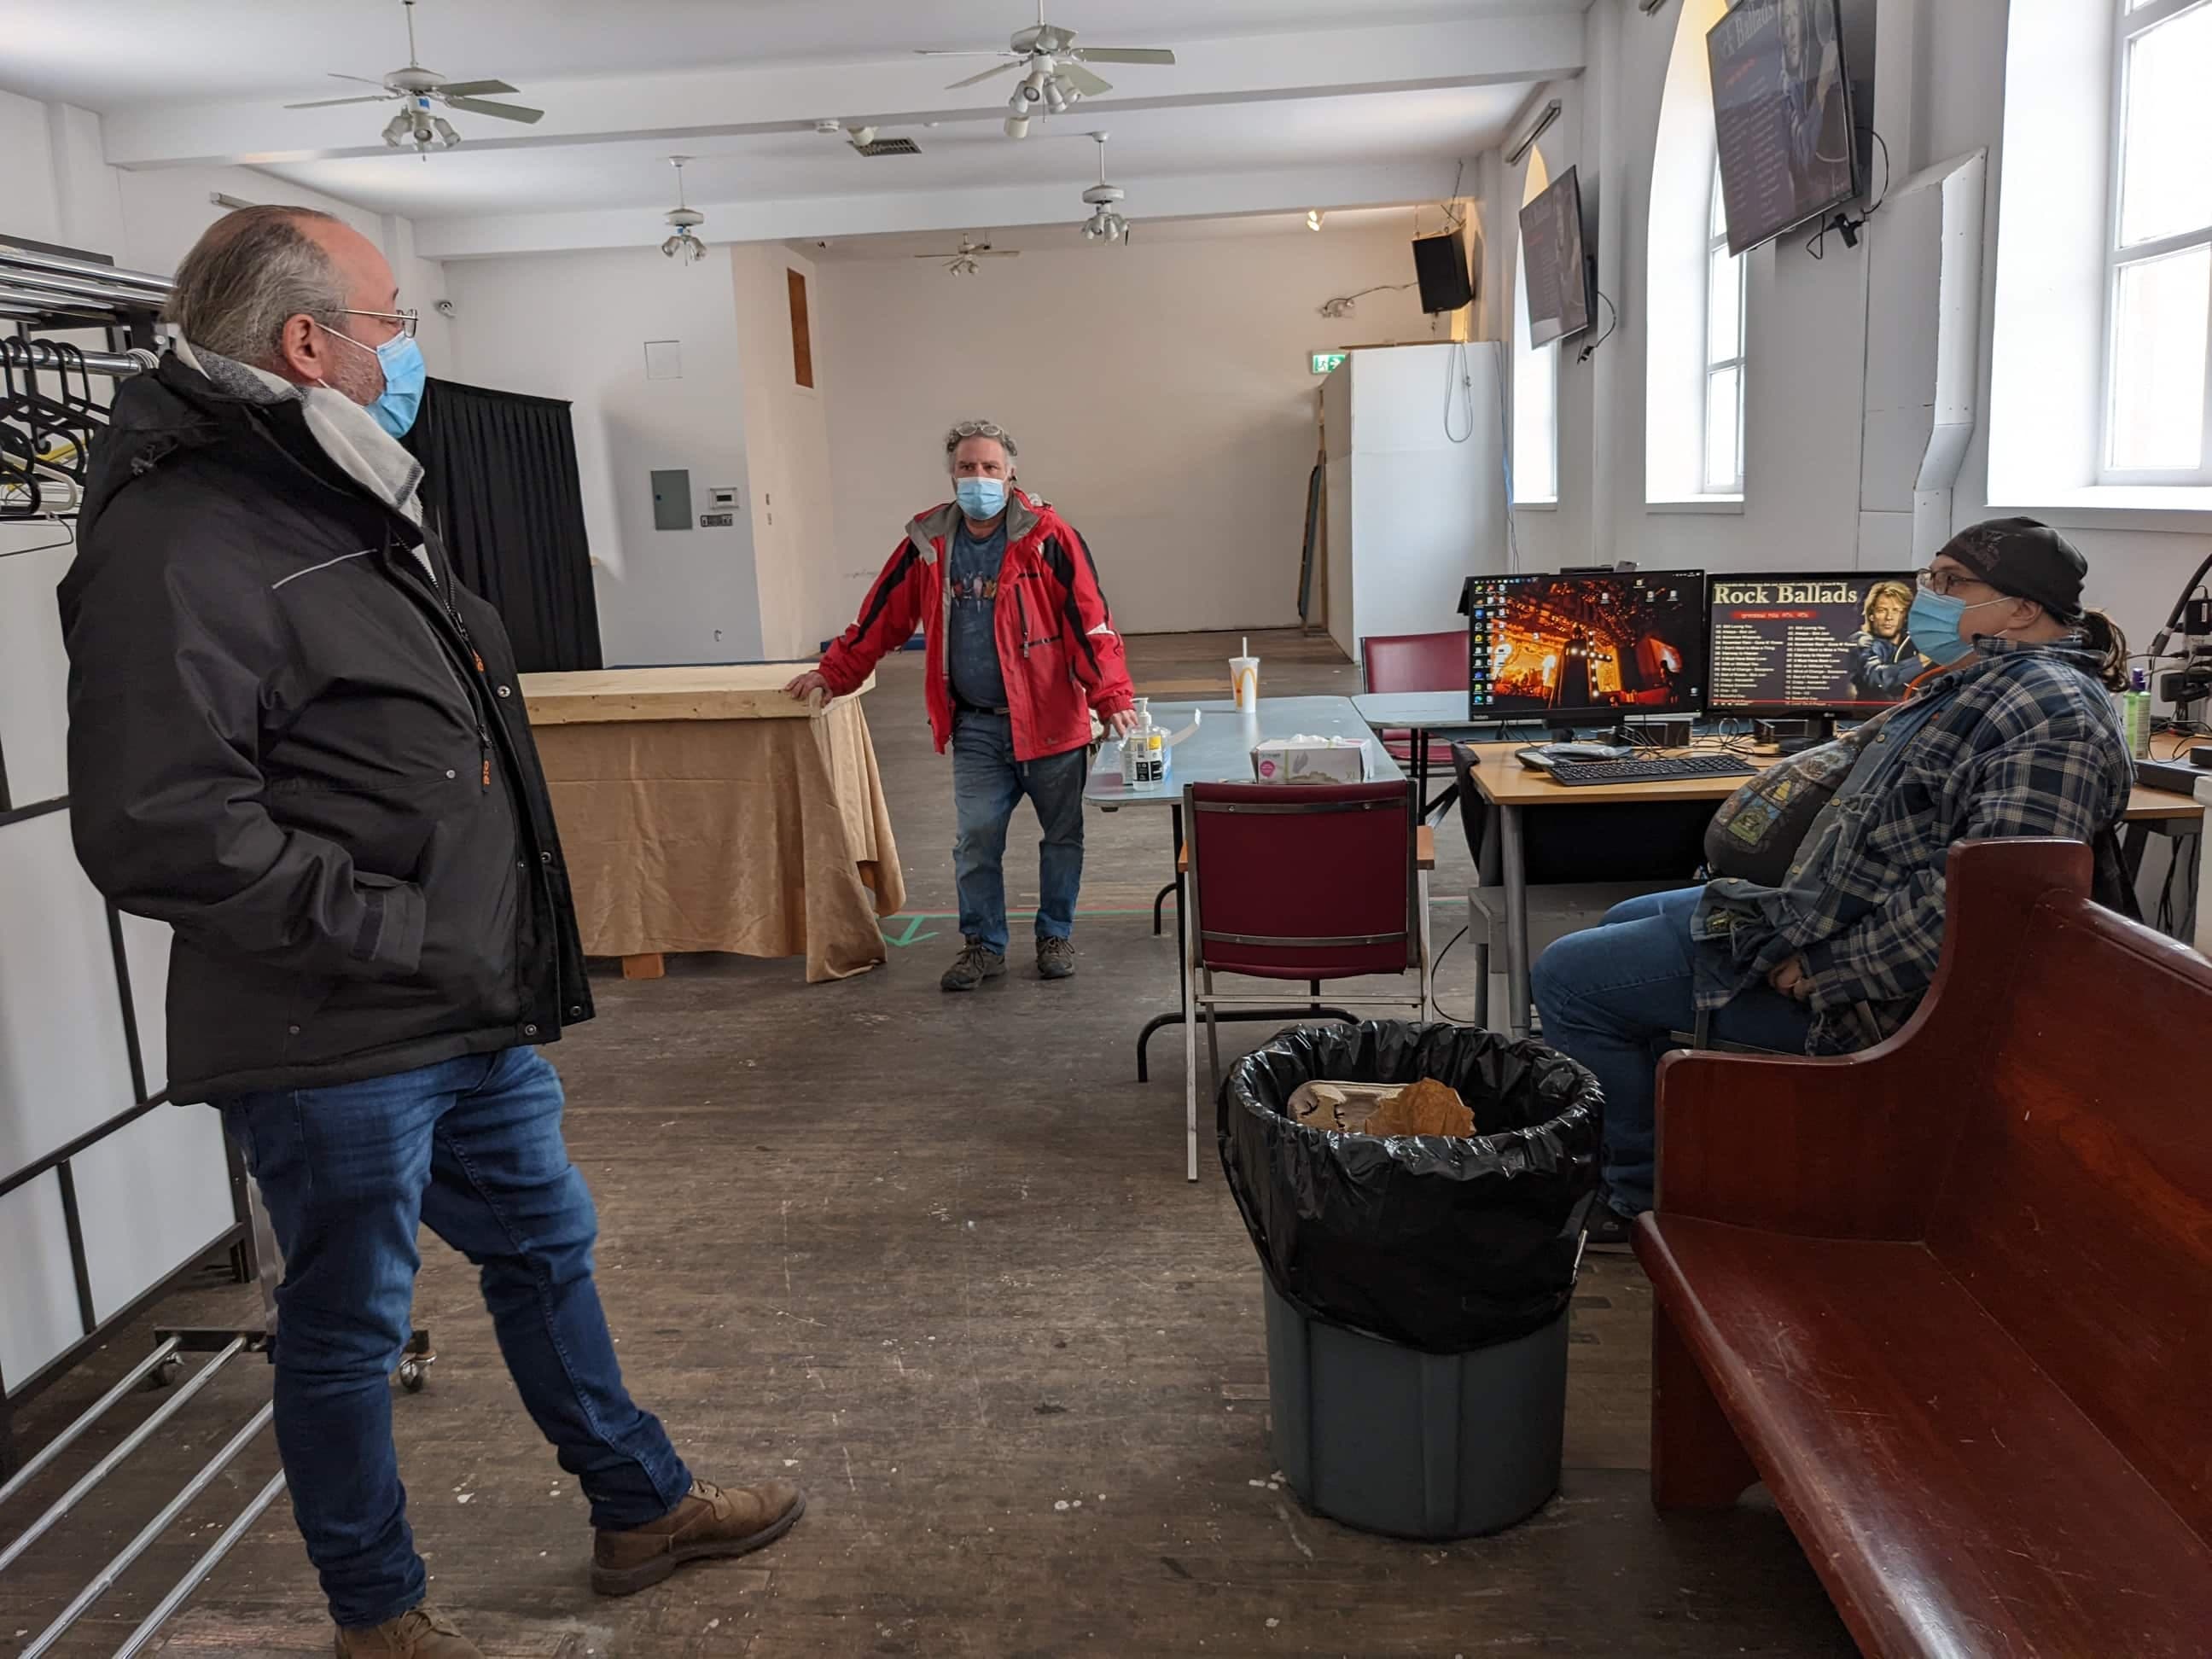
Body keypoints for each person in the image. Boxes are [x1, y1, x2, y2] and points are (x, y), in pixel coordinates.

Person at [57, 206, 802, 1659]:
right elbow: (161, 823)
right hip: (335, 1021)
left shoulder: (332, 493)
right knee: (348, 1324)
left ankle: (639, 1502)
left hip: (458, 997)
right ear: (306, 341)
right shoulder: (183, 534)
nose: (406, 347)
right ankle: (377, 1612)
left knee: (545, 1246)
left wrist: (464, 943)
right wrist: (391, 930)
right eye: (391, 320)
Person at [1532, 519, 2133, 1246]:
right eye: (1929, 579)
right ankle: (1690, 1149)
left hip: (1888, 999)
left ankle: (1636, 1201)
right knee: (1624, 918)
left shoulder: (2050, 715)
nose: (1927, 597)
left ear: (2022, 609)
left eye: (1949, 582)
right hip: (1834, 917)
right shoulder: (1984, 685)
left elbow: (1991, 907)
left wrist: (1832, 969)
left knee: (1569, 978)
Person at [785, 419, 1138, 991]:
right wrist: (834, 672)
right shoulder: (930, 543)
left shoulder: (1048, 537)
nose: (979, 477)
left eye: (990, 467)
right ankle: (983, 945)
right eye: (968, 467)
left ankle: (1054, 935)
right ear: (952, 475)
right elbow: (881, 615)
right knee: (976, 841)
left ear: (1011, 473)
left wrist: (1111, 694)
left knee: (1062, 837)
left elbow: (1090, 621)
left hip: (1052, 723)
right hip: (976, 725)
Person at [1846, 578, 1926, 701]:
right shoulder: (1862, 641)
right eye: (1882, 610)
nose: (1889, 617)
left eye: (1896, 611)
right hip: (1870, 712)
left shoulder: (1911, 643)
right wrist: (1924, 659)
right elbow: (1879, 677)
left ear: (1905, 616)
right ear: (1871, 615)